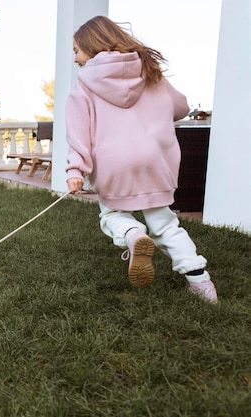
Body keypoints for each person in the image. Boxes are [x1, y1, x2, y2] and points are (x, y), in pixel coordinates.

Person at [65, 15, 217, 303]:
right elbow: (181, 107)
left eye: (77, 50)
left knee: (112, 215)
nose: (75, 58)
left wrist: (76, 170)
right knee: (165, 224)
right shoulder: (150, 72)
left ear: (92, 45)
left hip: (114, 164)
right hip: (155, 161)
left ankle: (133, 236)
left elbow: (78, 131)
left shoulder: (85, 83)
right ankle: (201, 283)